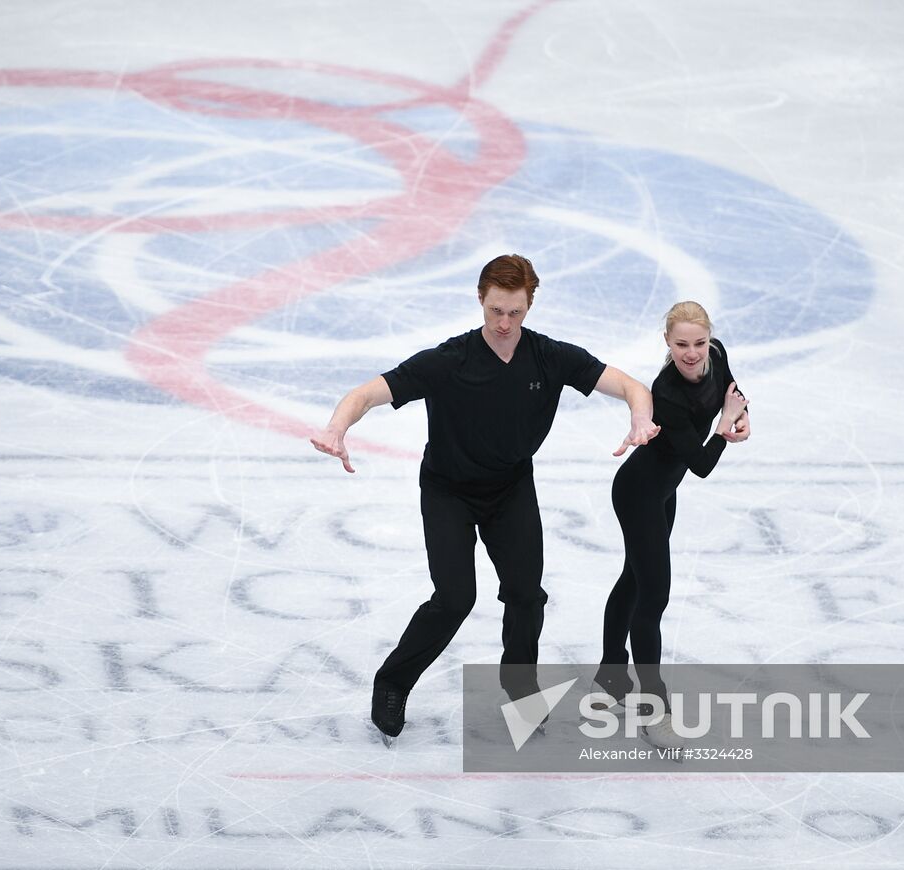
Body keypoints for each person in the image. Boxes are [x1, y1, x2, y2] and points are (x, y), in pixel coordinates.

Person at [310, 254, 660, 744]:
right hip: (448, 490)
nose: (504, 323)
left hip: (510, 488)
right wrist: (336, 427)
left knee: (526, 595)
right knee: (455, 598)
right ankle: (392, 683)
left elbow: (629, 386)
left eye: (515, 312)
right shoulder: (449, 360)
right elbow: (367, 393)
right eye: (496, 310)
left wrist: (639, 419)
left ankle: (520, 691)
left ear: (529, 305)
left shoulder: (549, 357)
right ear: (480, 299)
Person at [596, 300, 750, 749]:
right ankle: (653, 709)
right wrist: (724, 428)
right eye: (681, 344)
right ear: (667, 342)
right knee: (653, 596)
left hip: (663, 491)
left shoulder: (715, 353)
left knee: (635, 579)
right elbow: (701, 464)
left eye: (698, 343)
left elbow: (734, 393)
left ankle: (609, 675)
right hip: (639, 492)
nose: (692, 352)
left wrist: (740, 418)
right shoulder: (666, 393)